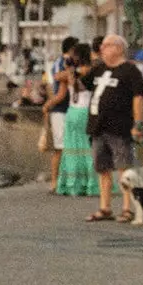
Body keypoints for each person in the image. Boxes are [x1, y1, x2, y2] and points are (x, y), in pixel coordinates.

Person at [86, 34, 143, 223]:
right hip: (98, 125)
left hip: (120, 126)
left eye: (107, 46)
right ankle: (105, 207)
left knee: (124, 168)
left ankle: (128, 208)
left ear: (119, 48)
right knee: (102, 168)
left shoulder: (130, 71)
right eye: (102, 46)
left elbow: (138, 97)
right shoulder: (98, 70)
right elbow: (82, 84)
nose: (102, 49)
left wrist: (137, 124)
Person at [54, 42, 99, 199]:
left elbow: (58, 77)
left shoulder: (72, 73)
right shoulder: (91, 71)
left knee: (72, 148)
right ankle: (90, 183)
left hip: (73, 112)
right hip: (85, 111)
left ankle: (72, 183)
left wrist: (69, 69)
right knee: (87, 147)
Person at [41, 41, 80, 191]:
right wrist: (49, 104)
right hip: (62, 110)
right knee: (62, 148)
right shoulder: (65, 63)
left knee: (61, 148)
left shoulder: (60, 63)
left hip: (63, 110)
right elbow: (61, 91)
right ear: (71, 50)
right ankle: (56, 182)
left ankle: (57, 182)